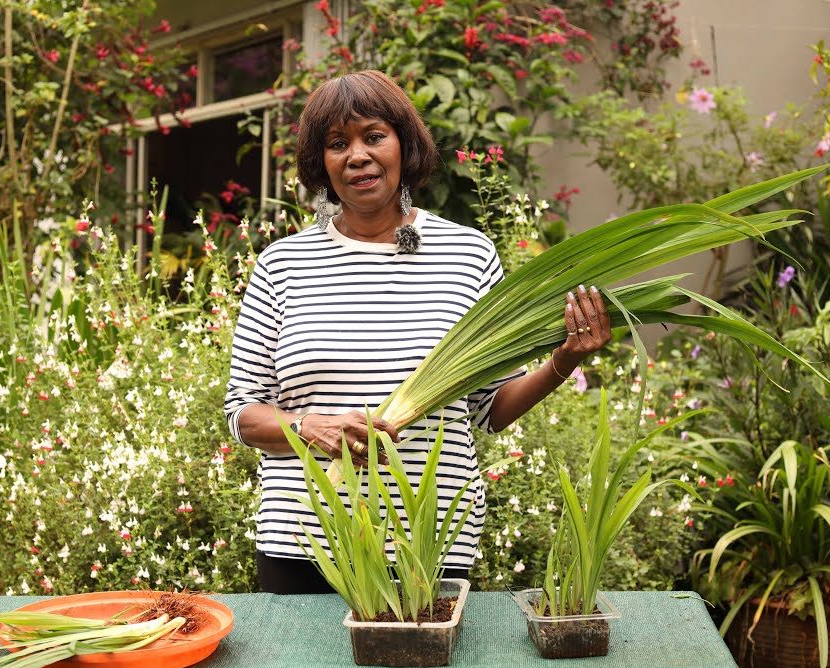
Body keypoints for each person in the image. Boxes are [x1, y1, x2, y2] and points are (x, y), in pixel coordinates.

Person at [223, 70, 612, 594]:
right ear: (322, 165)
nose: (357, 155)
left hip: (430, 539)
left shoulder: (467, 256)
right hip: (305, 544)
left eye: (374, 136)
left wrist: (563, 359)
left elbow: (489, 409)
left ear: (405, 145)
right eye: (337, 144)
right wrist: (310, 428)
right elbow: (243, 413)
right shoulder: (283, 265)